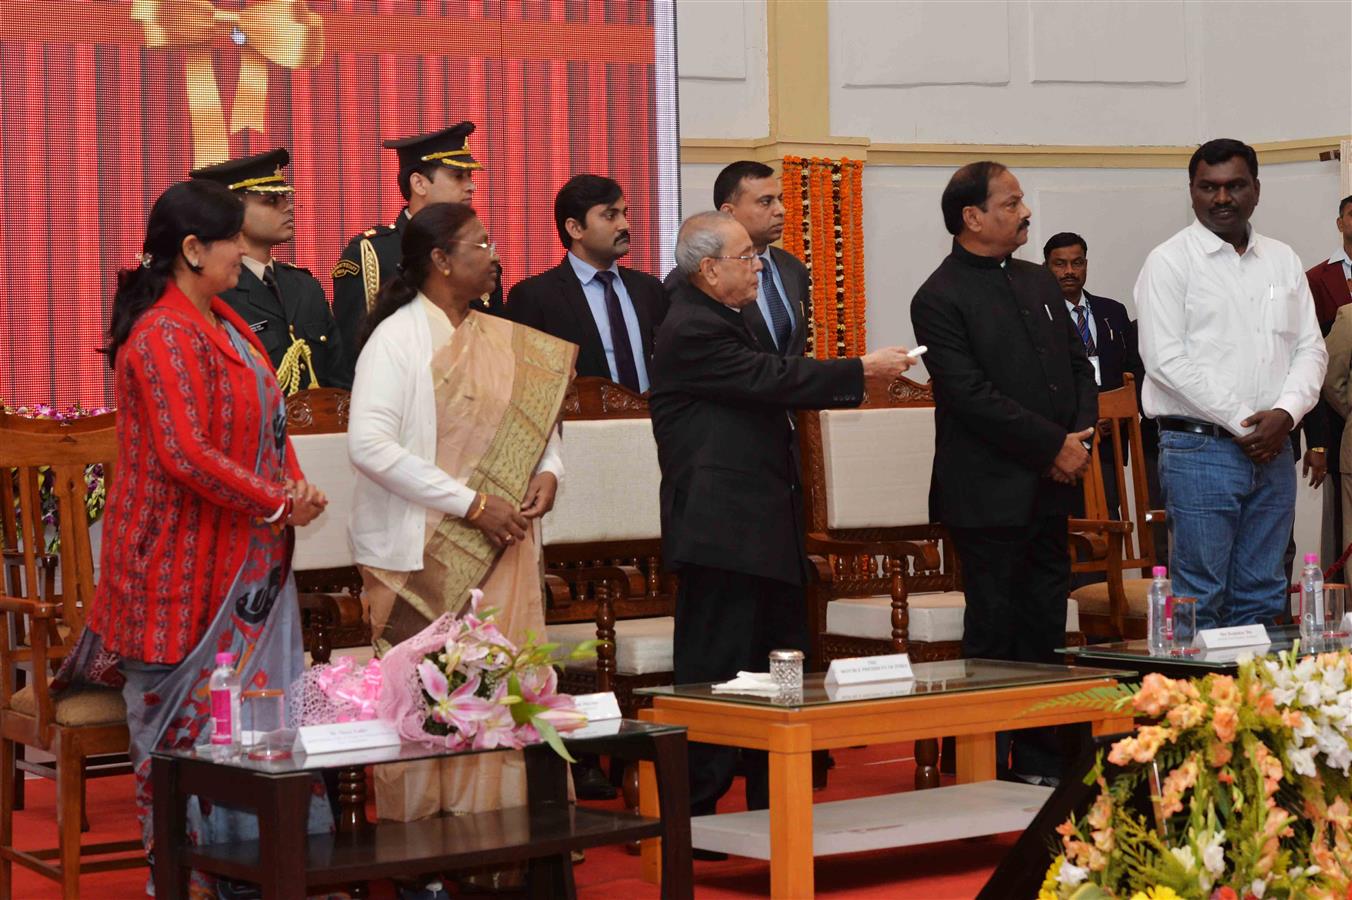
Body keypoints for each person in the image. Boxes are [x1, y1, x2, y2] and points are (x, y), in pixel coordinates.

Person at [57, 180, 332, 896]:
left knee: (262, 738)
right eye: (232, 239)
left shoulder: (225, 321)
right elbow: (186, 454)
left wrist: (294, 486)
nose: (245, 250)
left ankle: (261, 876)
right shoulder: (160, 335)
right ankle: (180, 883)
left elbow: (270, 418)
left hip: (251, 572)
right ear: (191, 249)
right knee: (177, 757)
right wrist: (277, 502)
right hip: (176, 581)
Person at [650, 210, 913, 823]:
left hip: (765, 528)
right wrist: (859, 372)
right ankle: (690, 821)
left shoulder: (728, 317)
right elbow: (771, 378)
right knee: (714, 679)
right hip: (722, 534)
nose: (759, 264)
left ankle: (780, 806)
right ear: (709, 268)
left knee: (781, 670)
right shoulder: (691, 326)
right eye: (747, 256)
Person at [347, 202, 574, 898]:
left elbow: (540, 430)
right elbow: (369, 445)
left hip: (503, 546)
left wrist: (548, 474)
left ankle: (504, 856)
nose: (495, 253)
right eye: (481, 244)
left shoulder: (505, 339)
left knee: (502, 700)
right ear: (442, 260)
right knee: (431, 712)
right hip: (423, 555)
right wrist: (471, 504)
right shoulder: (397, 340)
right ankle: (425, 866)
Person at [911, 162, 1098, 785]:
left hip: (1051, 487)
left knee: (1044, 625)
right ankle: (984, 767)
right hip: (987, 493)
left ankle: (1042, 761)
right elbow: (969, 394)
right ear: (973, 217)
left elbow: (1079, 367)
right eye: (1013, 202)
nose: (1025, 213)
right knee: (993, 632)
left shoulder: (1039, 280)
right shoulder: (937, 297)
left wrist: (1078, 436)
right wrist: (1053, 446)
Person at [1135, 138, 1326, 630]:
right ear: (1192, 192)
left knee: (1265, 593)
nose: (1222, 198)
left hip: (1275, 448)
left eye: (1235, 186)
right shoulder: (1170, 261)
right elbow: (1165, 361)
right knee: (1201, 597)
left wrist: (1284, 414)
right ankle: (1199, 709)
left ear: (1256, 190)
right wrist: (1248, 422)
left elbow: (1311, 349)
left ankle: (1254, 707)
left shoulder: (1283, 259)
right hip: (1201, 451)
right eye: (1209, 188)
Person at [332, 122, 502, 380]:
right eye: (458, 176)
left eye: (471, 177)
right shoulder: (372, 254)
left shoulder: (477, 252)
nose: (471, 187)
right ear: (419, 184)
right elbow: (351, 357)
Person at [189, 147, 350, 391]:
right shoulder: (215, 293)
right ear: (233, 210)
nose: (288, 207)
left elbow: (340, 380)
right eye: (271, 200)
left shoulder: (305, 286)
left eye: (285, 198)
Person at [506, 174, 668, 390]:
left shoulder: (649, 289)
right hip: (579, 421)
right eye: (610, 216)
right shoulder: (535, 297)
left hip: (651, 421)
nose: (624, 225)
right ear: (575, 228)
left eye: (624, 213)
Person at [1043, 231, 1142, 522]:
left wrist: (1116, 416)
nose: (1070, 271)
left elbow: (1133, 372)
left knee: (1108, 518)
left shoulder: (1113, 311)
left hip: (1110, 441)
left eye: (1077, 263)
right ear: (1046, 267)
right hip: (1064, 440)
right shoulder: (1039, 316)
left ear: (1086, 264)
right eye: (1060, 264)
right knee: (1069, 525)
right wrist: (1086, 421)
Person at [665, 160, 810, 356]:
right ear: (728, 213)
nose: (780, 210)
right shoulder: (692, 278)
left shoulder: (793, 268)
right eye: (766, 202)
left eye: (780, 199)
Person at [1308, 195, 1352, 567]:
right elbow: (1320, 356)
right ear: (1340, 223)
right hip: (1339, 414)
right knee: (1343, 514)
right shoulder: (1318, 278)